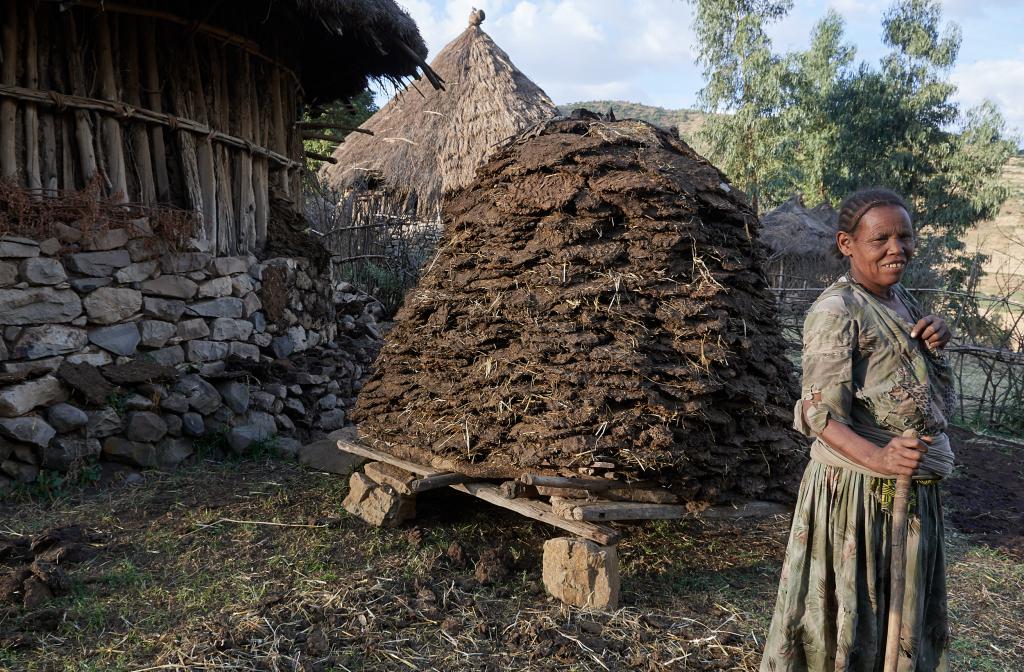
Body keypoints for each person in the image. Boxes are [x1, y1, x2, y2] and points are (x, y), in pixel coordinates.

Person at [760, 188, 956, 672]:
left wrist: (936, 337)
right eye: (881, 239)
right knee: (852, 621)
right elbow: (818, 414)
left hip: (908, 492)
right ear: (847, 244)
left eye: (905, 237)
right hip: (857, 496)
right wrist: (880, 459)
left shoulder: (901, 301)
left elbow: (911, 384)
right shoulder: (836, 311)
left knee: (898, 621)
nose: (897, 249)